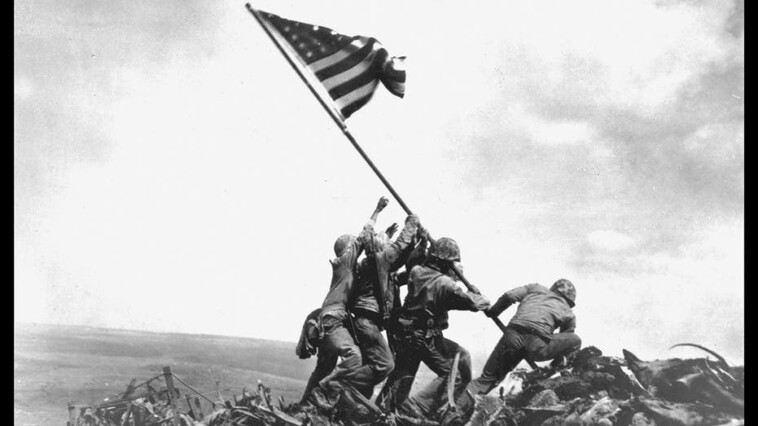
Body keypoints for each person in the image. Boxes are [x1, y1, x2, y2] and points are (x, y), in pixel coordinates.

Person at [377, 237, 490, 420]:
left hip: (406, 334)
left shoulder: (416, 271)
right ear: (445, 262)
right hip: (426, 338)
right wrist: (477, 294)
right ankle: (418, 408)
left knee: (404, 374)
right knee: (456, 375)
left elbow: (404, 278)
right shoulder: (446, 284)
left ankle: (381, 409)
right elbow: (476, 303)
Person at [305, 196, 389, 408]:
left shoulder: (347, 268)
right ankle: (324, 393)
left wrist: (385, 237)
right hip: (334, 319)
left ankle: (305, 404)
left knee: (324, 366)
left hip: (332, 319)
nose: (357, 248)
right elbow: (363, 237)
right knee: (354, 358)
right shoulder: (344, 262)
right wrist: (377, 211)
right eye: (353, 247)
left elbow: (368, 247)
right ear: (347, 249)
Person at [467, 278, 582, 396]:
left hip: (512, 337)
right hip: (536, 345)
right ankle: (557, 372)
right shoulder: (569, 312)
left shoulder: (535, 288)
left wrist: (493, 312)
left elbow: (509, 296)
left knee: (486, 380)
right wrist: (554, 367)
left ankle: (459, 399)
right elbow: (566, 339)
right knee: (575, 340)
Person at [348, 213, 421, 398]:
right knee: (385, 365)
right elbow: (398, 248)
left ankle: (352, 403)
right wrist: (411, 224)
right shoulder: (378, 261)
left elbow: (403, 260)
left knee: (371, 366)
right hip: (367, 323)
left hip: (367, 323)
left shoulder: (376, 267)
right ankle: (339, 385)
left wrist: (419, 244)